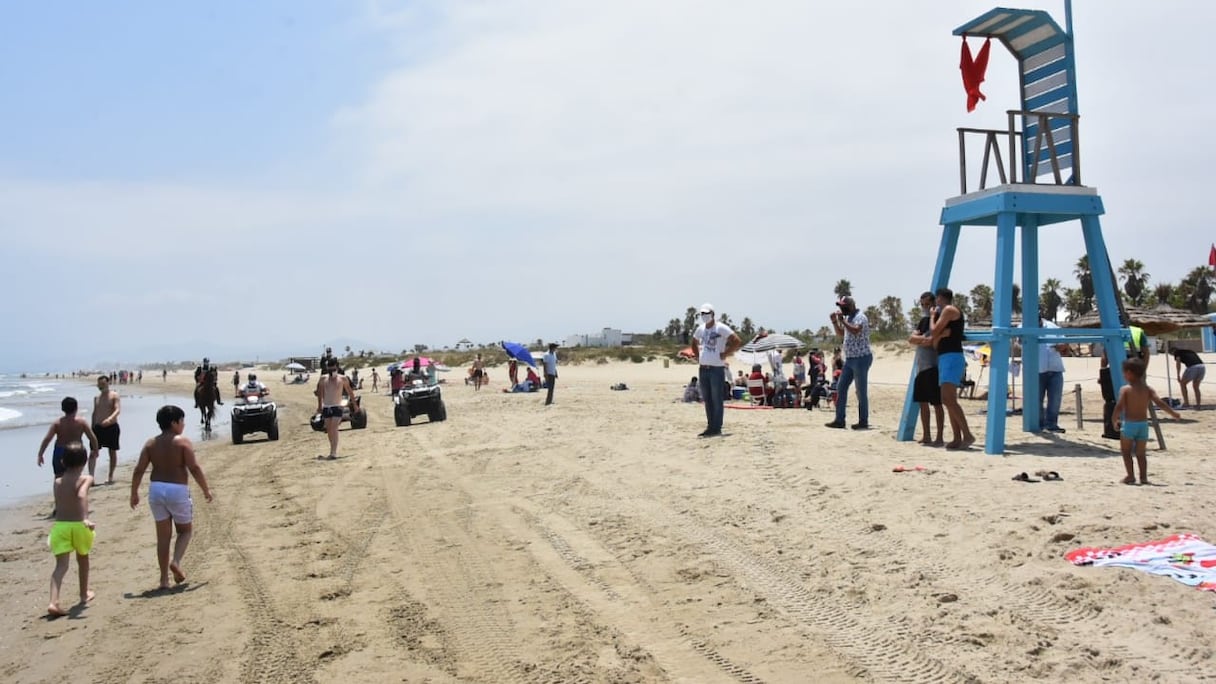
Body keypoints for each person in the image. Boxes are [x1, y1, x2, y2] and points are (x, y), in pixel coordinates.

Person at [129, 405, 214, 589]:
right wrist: (206, 490)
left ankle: (163, 580)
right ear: (174, 423)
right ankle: (175, 561)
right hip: (177, 490)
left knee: (163, 538)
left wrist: (134, 493)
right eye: (182, 421)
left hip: (156, 490)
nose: (183, 425)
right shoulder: (182, 442)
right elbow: (194, 468)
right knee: (185, 531)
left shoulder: (150, 443)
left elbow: (138, 470)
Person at [46, 442, 95, 616]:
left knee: (60, 566)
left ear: (62, 462)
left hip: (60, 527)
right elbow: (81, 495)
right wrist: (85, 518)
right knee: (83, 560)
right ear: (84, 462)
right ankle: (83, 594)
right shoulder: (86, 479)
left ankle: (53, 601)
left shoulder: (57, 482)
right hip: (79, 525)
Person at [1113, 358, 1180, 485]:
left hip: (1129, 424)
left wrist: (1114, 420)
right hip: (1143, 425)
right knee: (1141, 453)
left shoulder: (1125, 389)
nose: (1123, 375)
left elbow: (1119, 406)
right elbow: (1159, 402)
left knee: (1126, 452)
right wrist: (1173, 413)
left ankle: (1130, 476)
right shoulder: (1148, 389)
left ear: (1129, 372)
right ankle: (1143, 477)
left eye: (1124, 372)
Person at [929, 287, 975, 450]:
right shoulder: (946, 313)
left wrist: (933, 316)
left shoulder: (948, 310)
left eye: (937, 299)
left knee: (949, 399)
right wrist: (939, 335)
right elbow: (935, 339)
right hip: (945, 357)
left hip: (952, 357)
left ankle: (968, 435)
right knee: (947, 400)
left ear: (941, 298)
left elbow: (933, 331)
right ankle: (957, 437)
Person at [690, 303, 742, 437]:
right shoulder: (700, 329)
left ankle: (716, 427)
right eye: (702, 314)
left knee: (717, 399)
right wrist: (697, 357)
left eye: (706, 314)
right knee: (707, 399)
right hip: (703, 368)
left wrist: (725, 353)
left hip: (716, 368)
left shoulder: (721, 328)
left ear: (712, 314)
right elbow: (694, 342)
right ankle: (710, 425)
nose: (704, 316)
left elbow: (736, 340)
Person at [38, 398, 101, 503]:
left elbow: (47, 439)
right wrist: (95, 450)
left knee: (58, 477)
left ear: (63, 409)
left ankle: (58, 502)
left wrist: (41, 454)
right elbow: (92, 437)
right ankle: (75, 500)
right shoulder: (81, 422)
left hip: (60, 451)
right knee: (76, 476)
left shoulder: (57, 423)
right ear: (76, 408)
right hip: (77, 451)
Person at [826, 296, 873, 430]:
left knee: (860, 391)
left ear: (851, 305)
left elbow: (856, 330)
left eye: (843, 306)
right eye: (840, 306)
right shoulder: (848, 319)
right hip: (850, 359)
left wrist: (842, 321)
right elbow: (842, 333)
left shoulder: (860, 317)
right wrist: (835, 322)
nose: (841, 309)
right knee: (841, 387)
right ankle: (839, 419)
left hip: (861, 358)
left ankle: (863, 420)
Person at [1100, 325, 1149, 439]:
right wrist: (1143, 370)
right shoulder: (1138, 331)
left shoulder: (1109, 329)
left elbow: (1105, 355)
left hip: (1117, 368)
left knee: (1115, 399)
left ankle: (1115, 429)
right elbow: (1146, 352)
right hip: (1135, 368)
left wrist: (1103, 372)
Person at [908, 292, 944, 446]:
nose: (924, 307)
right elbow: (911, 339)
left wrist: (922, 340)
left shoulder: (938, 320)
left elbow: (933, 341)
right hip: (921, 367)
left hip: (933, 366)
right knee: (922, 402)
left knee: (936, 403)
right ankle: (926, 435)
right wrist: (924, 340)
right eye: (922, 304)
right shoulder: (924, 321)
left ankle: (940, 437)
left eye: (927, 304)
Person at [316, 358, 360, 460]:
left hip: (337, 406)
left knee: (334, 427)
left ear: (337, 367)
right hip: (327, 406)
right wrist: (319, 406)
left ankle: (333, 452)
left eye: (333, 369)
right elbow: (320, 393)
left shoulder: (343, 379)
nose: (332, 371)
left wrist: (355, 405)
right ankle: (332, 449)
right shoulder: (323, 379)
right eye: (330, 369)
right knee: (329, 429)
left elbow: (350, 392)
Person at [1038, 317, 1068, 433]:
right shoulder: (1022, 326)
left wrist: (1061, 347)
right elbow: (1019, 343)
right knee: (1037, 400)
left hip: (1055, 368)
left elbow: (1065, 345)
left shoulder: (1052, 326)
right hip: (1036, 369)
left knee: (1055, 400)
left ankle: (1051, 424)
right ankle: (1039, 424)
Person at [91, 375, 122, 484]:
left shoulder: (114, 395)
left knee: (112, 452)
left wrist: (110, 419)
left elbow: (117, 410)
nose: (101, 386)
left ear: (108, 383)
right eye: (99, 384)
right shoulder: (96, 398)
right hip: (98, 428)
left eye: (103, 384)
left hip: (111, 427)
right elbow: (94, 413)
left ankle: (110, 476)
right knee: (93, 452)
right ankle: (91, 477)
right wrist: (91, 426)